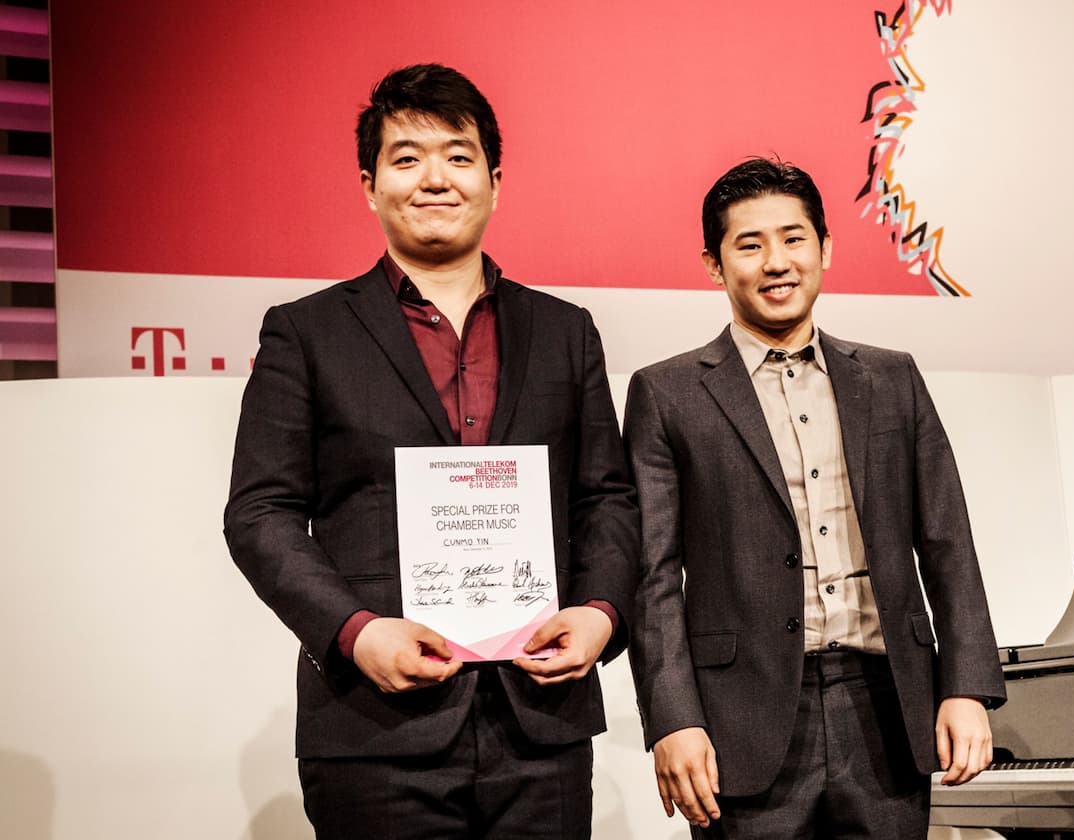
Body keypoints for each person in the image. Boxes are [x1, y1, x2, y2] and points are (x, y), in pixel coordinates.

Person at [223, 63, 636, 838]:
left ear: (495, 179)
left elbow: (605, 497)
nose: (434, 178)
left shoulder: (565, 330)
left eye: (458, 154)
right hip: (374, 728)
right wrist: (356, 630)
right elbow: (260, 513)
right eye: (407, 158)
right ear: (369, 184)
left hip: (539, 726)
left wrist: (602, 612)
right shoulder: (305, 332)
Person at [625, 157, 1007, 838]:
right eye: (750, 244)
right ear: (714, 264)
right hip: (740, 720)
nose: (777, 261)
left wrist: (967, 686)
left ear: (825, 250)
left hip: (887, 704)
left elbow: (948, 542)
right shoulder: (666, 393)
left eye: (794, 238)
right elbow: (652, 577)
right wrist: (674, 718)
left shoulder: (892, 378)